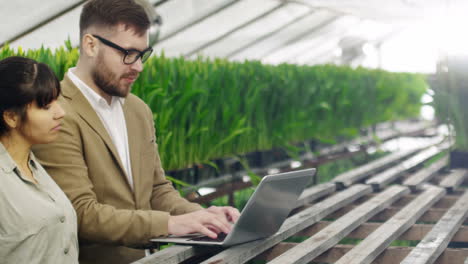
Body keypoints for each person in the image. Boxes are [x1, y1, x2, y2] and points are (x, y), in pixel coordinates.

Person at [32, 0, 240, 263]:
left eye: (142, 54)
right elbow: (81, 214)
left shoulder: (137, 110)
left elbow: (157, 190)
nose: (138, 66)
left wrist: (205, 217)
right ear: (90, 45)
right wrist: (170, 224)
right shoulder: (57, 113)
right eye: (127, 53)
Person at [0, 56, 78, 263]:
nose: (60, 113)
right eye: (46, 106)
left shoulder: (34, 166)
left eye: (57, 102)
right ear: (11, 117)